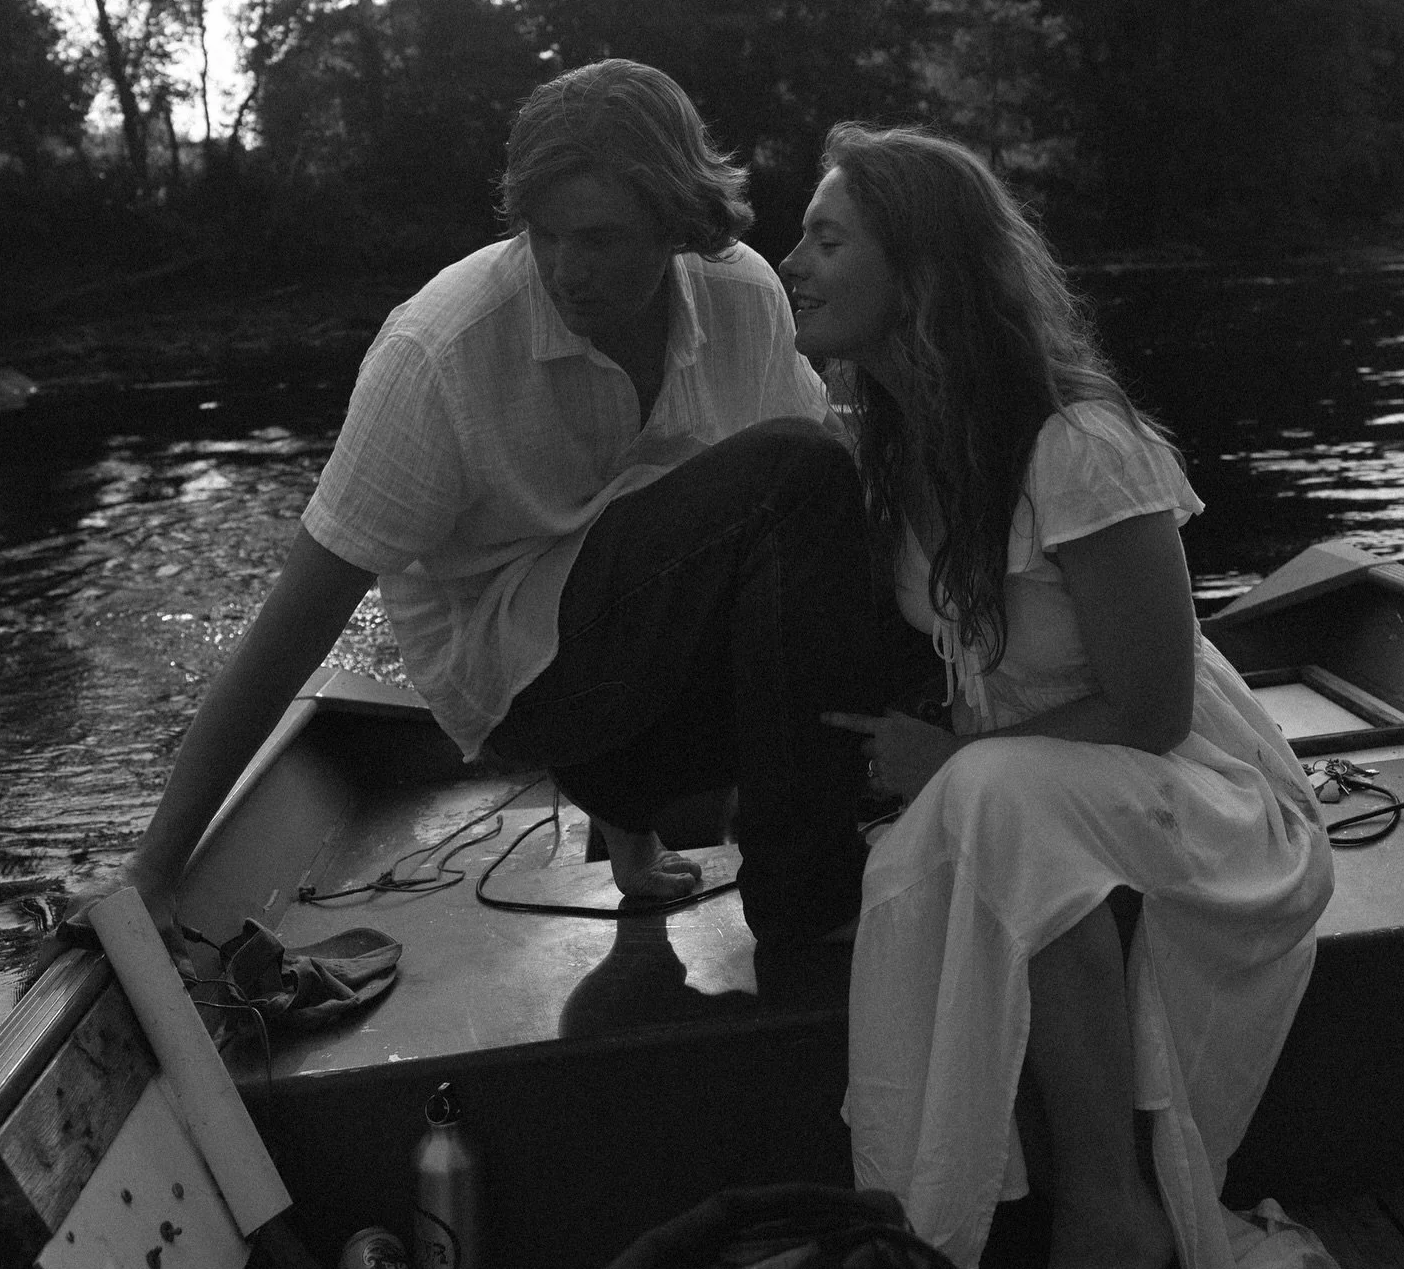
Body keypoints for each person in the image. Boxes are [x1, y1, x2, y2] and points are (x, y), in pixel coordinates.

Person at [47, 61, 885, 964]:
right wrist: (153, 869)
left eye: (600, 238)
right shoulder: (440, 349)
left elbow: (799, 529)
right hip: (521, 691)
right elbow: (295, 623)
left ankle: (645, 809)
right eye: (545, 234)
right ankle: (808, 909)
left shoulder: (741, 292)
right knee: (797, 471)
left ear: (679, 222)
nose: (566, 269)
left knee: (844, 524)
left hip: (642, 693)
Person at [780, 125, 1342, 1269]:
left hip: (1204, 788)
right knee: (970, 815)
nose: (794, 261)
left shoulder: (1077, 445)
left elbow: (1155, 707)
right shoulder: (886, 446)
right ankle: (935, 1222)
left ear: (921, 273)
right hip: (1053, 785)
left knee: (989, 799)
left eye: (828, 238)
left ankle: (1112, 1219)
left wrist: (963, 754)